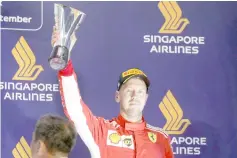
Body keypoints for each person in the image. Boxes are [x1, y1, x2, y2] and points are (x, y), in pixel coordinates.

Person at [51, 28, 174, 158]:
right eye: (129, 90)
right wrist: (65, 66)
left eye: (140, 92)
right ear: (117, 96)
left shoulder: (161, 138)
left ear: (146, 98)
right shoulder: (102, 131)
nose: (135, 96)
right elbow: (75, 110)